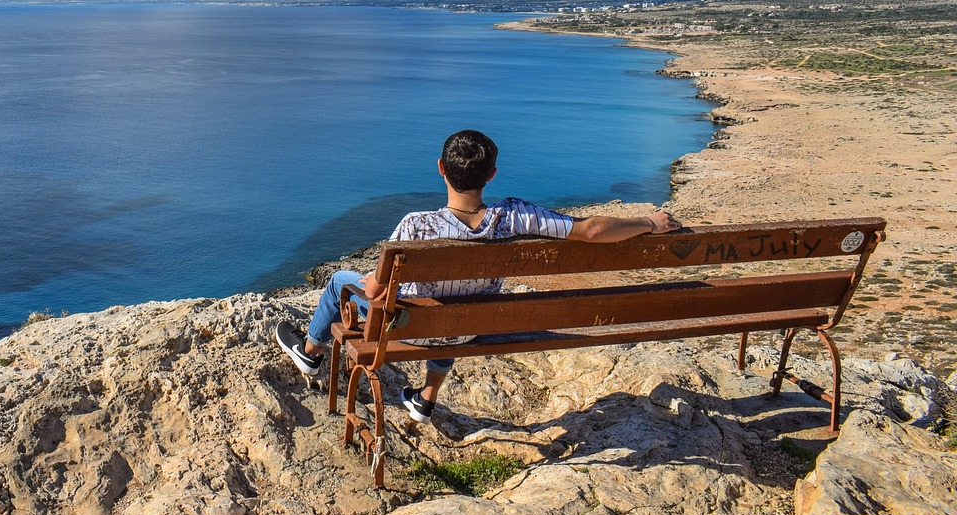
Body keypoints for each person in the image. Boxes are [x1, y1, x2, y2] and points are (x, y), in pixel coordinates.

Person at [274, 129, 682, 421]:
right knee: (458, 303)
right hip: (466, 328)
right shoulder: (514, 216)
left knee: (337, 281)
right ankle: (426, 396)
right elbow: (590, 230)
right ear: (491, 174)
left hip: (411, 327)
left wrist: (363, 281)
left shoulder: (415, 226)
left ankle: (309, 354)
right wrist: (649, 221)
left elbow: (377, 292)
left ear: (441, 169)